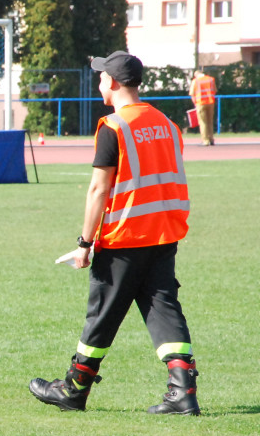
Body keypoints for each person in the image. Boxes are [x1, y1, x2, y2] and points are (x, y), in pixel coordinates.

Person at [29, 50, 199, 416]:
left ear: (115, 83)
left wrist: (84, 244)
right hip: (164, 235)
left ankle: (74, 389)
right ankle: (183, 390)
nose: (98, 81)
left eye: (102, 75)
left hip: (124, 238)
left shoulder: (113, 126)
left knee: (102, 313)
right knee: (163, 308)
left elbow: (98, 190)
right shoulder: (167, 124)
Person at [188, 69, 216, 146]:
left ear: (196, 75)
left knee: (203, 122)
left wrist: (195, 104)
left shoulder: (195, 81)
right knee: (210, 121)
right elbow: (214, 91)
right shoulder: (210, 79)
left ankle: (205, 140)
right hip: (210, 102)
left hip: (200, 103)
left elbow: (192, 94)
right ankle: (211, 139)